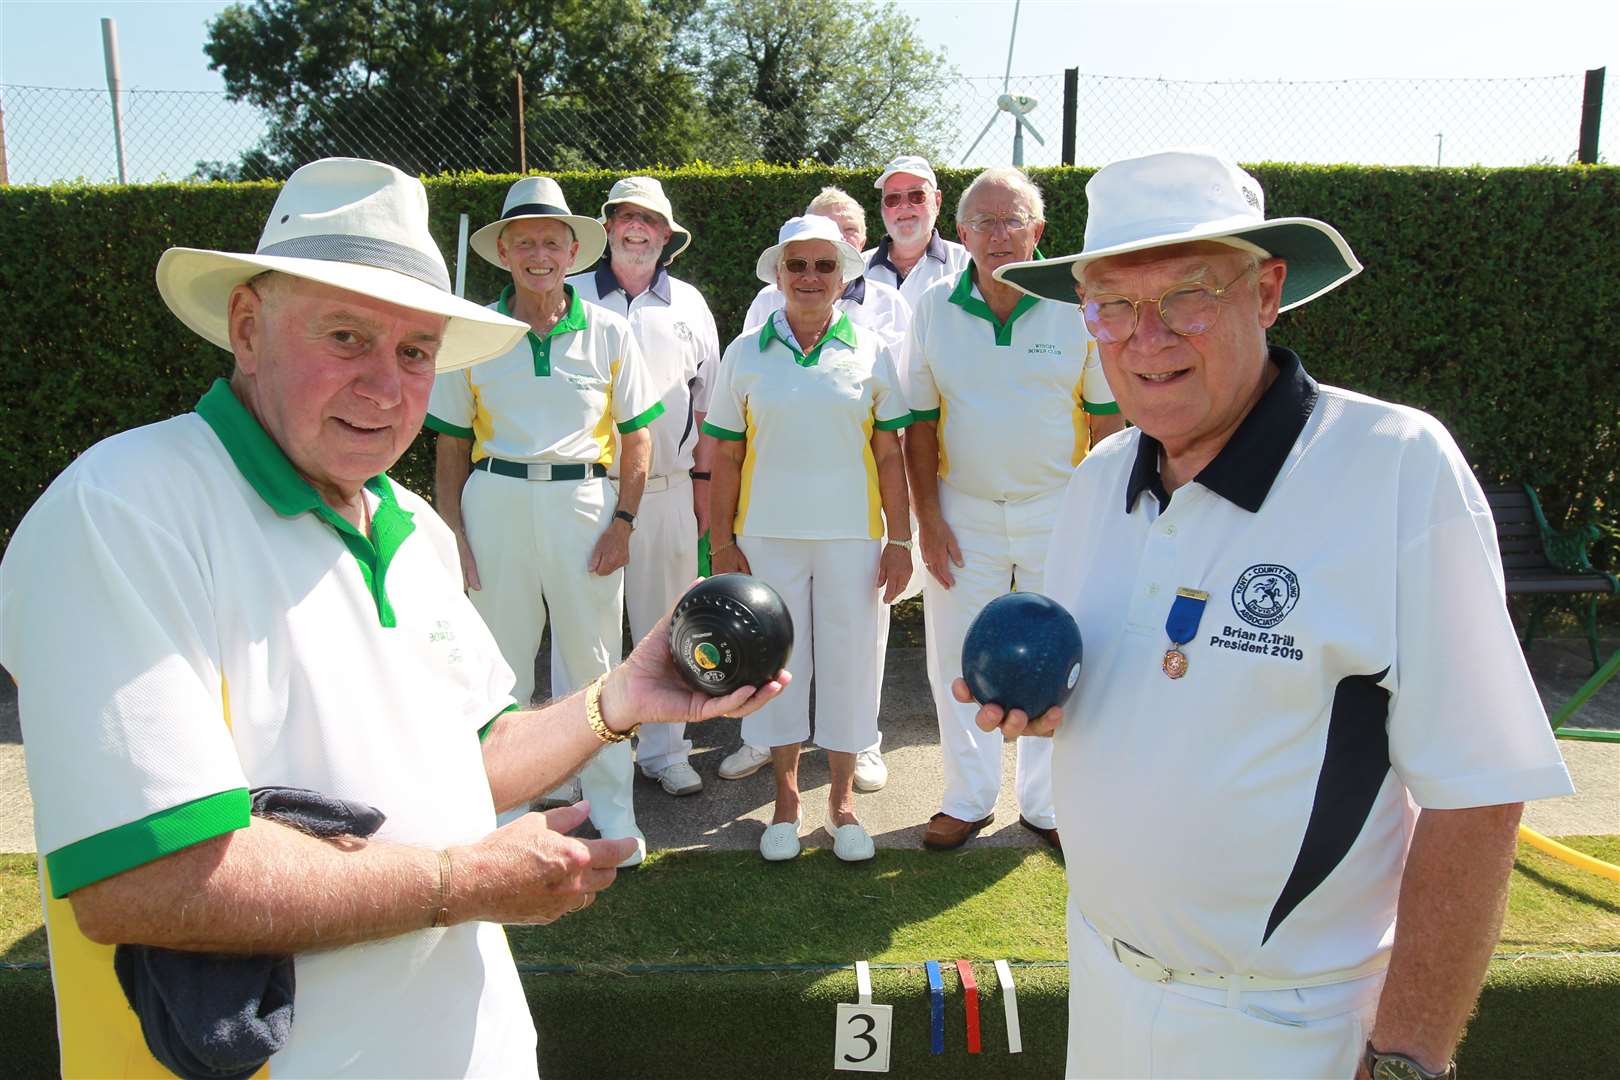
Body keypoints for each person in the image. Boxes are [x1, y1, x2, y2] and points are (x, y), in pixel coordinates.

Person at [0, 157, 786, 1078]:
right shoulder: (120, 508)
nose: (386, 384)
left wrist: (619, 697)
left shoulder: (408, 522)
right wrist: (462, 884)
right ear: (247, 328)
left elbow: (470, 762)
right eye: (346, 336)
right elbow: (145, 879)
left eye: (416, 352)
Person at [981, 148, 1573, 1080]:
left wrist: (1410, 1056)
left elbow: (1481, 792)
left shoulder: (1395, 467)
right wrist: (1051, 707)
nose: (1148, 336)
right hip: (1099, 983)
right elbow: (1143, 686)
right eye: (1113, 304)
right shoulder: (1098, 482)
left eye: (1187, 295)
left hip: (1290, 1029)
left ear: (1267, 292)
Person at [428, 177, 665, 863]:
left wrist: (623, 519)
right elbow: (449, 444)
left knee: (596, 667)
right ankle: (504, 812)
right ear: (503, 250)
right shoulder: (472, 335)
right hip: (495, 497)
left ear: (572, 249)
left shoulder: (610, 331)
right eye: (524, 242)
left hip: (585, 505)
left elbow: (637, 437)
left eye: (551, 242)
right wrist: (453, 535)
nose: (539, 254)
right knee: (497, 669)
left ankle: (614, 814)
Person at [904, 166, 1123, 853]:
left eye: (1012, 220)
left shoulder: (1076, 304)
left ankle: (1047, 805)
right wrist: (928, 521)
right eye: (984, 223)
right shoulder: (932, 306)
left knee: (1058, 656)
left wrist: (1099, 513)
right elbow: (917, 423)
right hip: (960, 511)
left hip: (1057, 508)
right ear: (961, 233)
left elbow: (1108, 417)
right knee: (957, 658)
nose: (998, 235)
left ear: (1039, 231)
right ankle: (966, 800)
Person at [703, 216, 915, 863]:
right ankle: (787, 802)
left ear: (844, 274)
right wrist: (722, 544)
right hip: (766, 537)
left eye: (825, 265)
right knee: (778, 670)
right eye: (798, 265)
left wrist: (899, 540)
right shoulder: (745, 353)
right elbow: (726, 459)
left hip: (853, 536)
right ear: (778, 273)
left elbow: (889, 457)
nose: (811, 277)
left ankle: (843, 803)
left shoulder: (873, 349)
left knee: (852, 665)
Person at [566, 176, 721, 798]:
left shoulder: (689, 304)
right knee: (585, 629)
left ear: (667, 235)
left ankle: (666, 750)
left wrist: (704, 486)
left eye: (650, 220)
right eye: (626, 217)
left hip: (669, 488)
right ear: (606, 227)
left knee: (671, 625)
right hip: (584, 488)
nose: (637, 228)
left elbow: (708, 406)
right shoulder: (570, 294)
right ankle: (579, 757)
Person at [742, 186, 912, 350]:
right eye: (826, 227)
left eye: (850, 229)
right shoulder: (767, 300)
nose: (840, 237)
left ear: (863, 241)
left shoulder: (890, 302)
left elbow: (902, 374)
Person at [863, 154, 971, 309]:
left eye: (916, 195)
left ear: (937, 201)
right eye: (893, 198)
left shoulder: (966, 265)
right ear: (882, 207)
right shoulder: (857, 272)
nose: (904, 205)